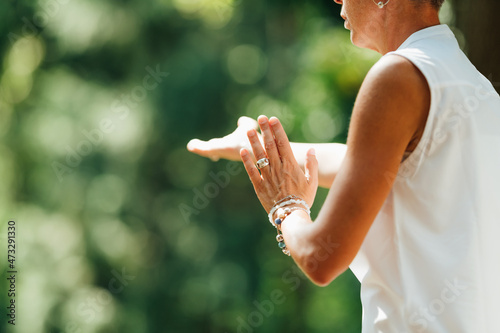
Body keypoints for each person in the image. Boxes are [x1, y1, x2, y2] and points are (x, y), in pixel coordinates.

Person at [187, 0, 500, 331]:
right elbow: (364, 163)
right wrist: (253, 144)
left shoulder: (397, 74)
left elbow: (320, 256)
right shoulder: (478, 91)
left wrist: (286, 206)